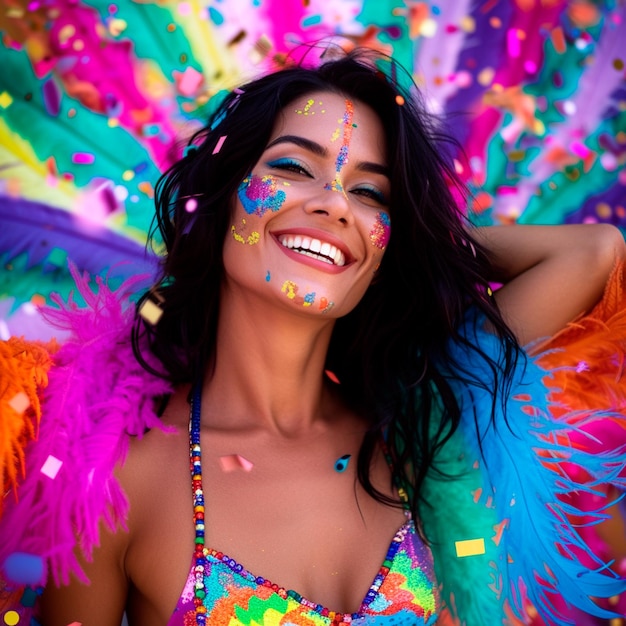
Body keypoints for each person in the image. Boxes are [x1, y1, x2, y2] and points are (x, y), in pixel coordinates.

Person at [1, 48, 625, 626]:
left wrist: (419, 248)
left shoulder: (416, 429)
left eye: (369, 193)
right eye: (295, 166)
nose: (335, 205)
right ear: (223, 200)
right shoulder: (113, 487)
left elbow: (594, 253)